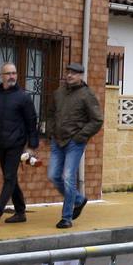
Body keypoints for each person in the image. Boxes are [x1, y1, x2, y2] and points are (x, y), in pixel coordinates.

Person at [0, 61, 38, 226]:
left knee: (9, 177)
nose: (11, 76)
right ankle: (20, 212)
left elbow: (32, 122)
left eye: (14, 73)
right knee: (10, 178)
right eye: (8, 73)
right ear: (1, 76)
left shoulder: (23, 97)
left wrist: (32, 145)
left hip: (16, 143)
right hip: (0, 143)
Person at [48, 61, 104, 229]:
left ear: (81, 76)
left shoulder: (87, 95)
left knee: (67, 177)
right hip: (57, 141)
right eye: (68, 72)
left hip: (74, 142)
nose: (70, 75)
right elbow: (50, 114)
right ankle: (79, 200)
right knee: (53, 176)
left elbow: (97, 120)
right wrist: (51, 131)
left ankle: (66, 218)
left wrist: (81, 136)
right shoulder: (58, 93)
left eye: (74, 73)